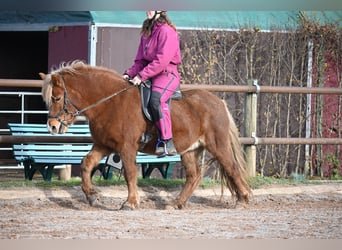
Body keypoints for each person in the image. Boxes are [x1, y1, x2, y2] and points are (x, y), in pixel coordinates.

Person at [123, 11, 181, 157]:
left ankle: (166, 141)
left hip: (167, 74)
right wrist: (129, 73)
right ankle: (146, 132)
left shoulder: (167, 31)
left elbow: (162, 61)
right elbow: (141, 61)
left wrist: (141, 75)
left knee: (156, 100)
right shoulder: (147, 32)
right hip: (151, 74)